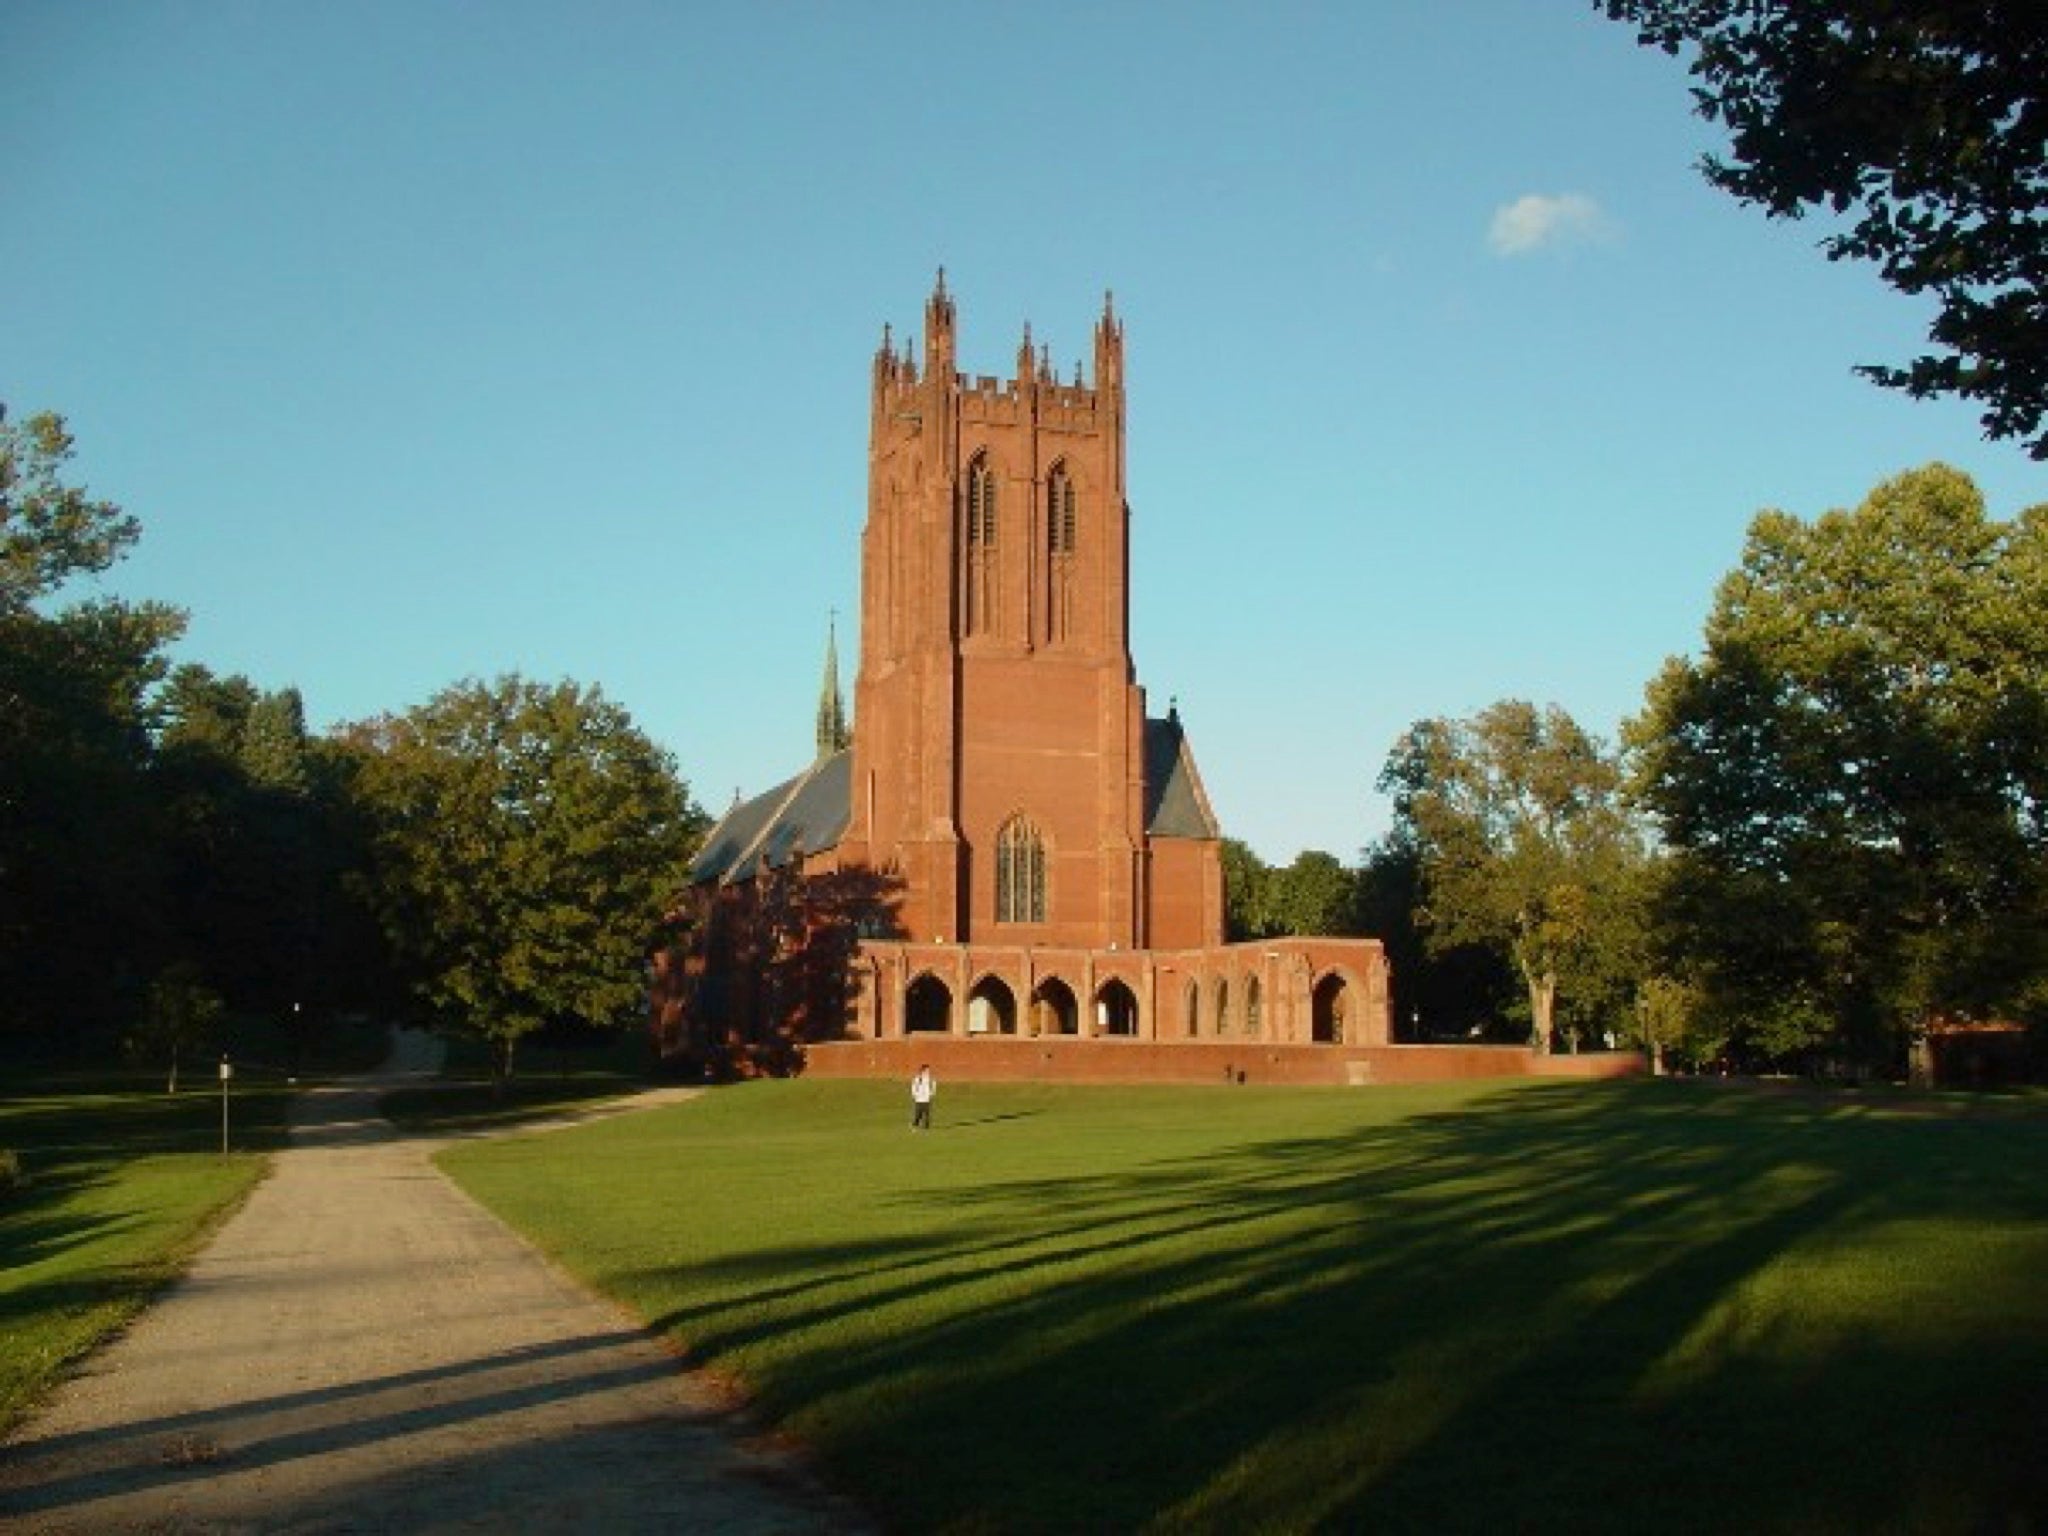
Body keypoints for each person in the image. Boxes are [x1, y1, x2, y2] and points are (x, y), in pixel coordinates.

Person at [910, 1064, 936, 1131]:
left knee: (927, 1113)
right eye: (927, 1070)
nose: (928, 1072)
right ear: (923, 1071)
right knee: (918, 1114)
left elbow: (933, 1086)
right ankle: (915, 1124)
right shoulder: (918, 1079)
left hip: (926, 1099)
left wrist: (931, 1093)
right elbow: (914, 1087)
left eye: (928, 1070)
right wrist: (915, 1094)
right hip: (919, 1099)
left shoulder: (930, 1079)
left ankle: (926, 1126)